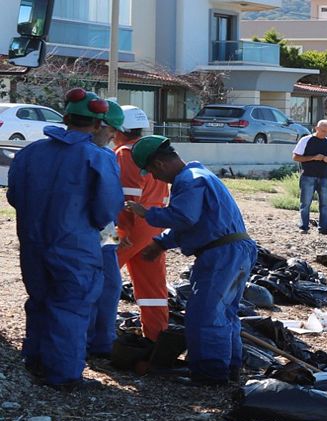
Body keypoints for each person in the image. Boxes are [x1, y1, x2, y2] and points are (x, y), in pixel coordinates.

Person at [7, 88, 123, 391]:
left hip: (33, 243)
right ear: (98, 125)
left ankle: (35, 361)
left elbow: (14, 196)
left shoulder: (30, 152)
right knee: (71, 307)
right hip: (75, 246)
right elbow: (107, 210)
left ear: (66, 118)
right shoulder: (98, 157)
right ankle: (64, 376)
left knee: (40, 301)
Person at [125, 136, 257, 386]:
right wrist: (161, 243)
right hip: (237, 250)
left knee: (204, 314)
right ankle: (230, 368)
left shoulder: (188, 181)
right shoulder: (201, 175)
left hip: (221, 255)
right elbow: (197, 223)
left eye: (152, 171)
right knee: (226, 313)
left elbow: (184, 218)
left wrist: (147, 213)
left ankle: (210, 374)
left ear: (159, 164)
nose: (154, 177)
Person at [113, 105, 170, 342]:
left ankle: (92, 337)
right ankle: (157, 339)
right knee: (153, 289)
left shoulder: (126, 153)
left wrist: (114, 235)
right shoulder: (154, 152)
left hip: (129, 228)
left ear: (119, 129)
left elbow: (127, 199)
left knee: (99, 276)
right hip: (154, 229)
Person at [86, 100, 126, 359]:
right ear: (97, 125)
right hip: (98, 229)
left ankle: (95, 341)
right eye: (112, 129)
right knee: (107, 283)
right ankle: (98, 342)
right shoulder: (103, 156)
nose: (114, 135)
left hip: (102, 230)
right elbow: (111, 204)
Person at [292, 120, 327, 235]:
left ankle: (324, 228)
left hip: (325, 176)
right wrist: (313, 158)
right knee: (305, 203)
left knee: (325, 204)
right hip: (308, 175)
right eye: (323, 131)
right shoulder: (305, 140)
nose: (325, 134)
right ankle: (304, 226)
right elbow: (296, 157)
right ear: (316, 128)